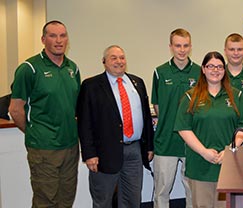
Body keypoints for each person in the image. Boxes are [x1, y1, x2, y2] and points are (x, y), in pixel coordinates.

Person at [9, 20, 80, 208]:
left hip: (71, 146)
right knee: (46, 202)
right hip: (44, 149)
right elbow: (15, 109)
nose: (58, 40)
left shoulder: (73, 68)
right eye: (53, 35)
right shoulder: (29, 68)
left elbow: (74, 106)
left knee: (66, 200)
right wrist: (35, 132)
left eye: (62, 35)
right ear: (43, 39)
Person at [77, 45, 154, 207]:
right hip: (104, 152)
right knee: (103, 200)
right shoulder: (91, 86)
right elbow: (85, 123)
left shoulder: (137, 83)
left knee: (132, 199)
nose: (119, 61)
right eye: (114, 58)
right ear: (104, 62)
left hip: (134, 151)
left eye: (122, 57)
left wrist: (149, 147)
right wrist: (89, 154)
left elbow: (146, 116)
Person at [174, 51, 243, 208]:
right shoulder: (190, 97)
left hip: (228, 164)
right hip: (200, 165)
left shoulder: (236, 96)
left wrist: (230, 149)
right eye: (211, 66)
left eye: (219, 67)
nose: (215, 70)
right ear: (203, 69)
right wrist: (204, 152)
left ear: (224, 70)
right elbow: (184, 129)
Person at [151, 28, 200, 208]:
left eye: (185, 45)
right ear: (170, 47)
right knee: (162, 191)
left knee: (192, 190)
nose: (182, 50)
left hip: (192, 142)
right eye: (178, 45)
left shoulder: (199, 72)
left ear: (190, 47)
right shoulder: (160, 72)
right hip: (166, 141)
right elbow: (157, 106)